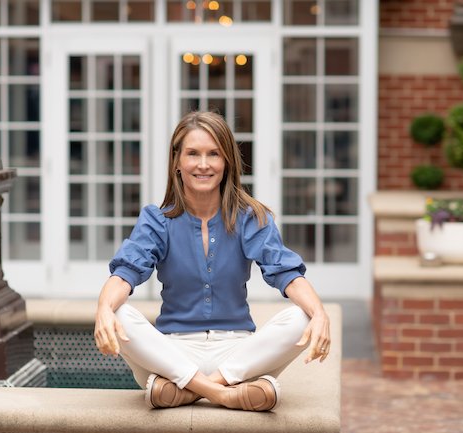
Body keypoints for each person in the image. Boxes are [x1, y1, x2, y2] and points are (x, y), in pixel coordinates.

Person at [94, 111, 330, 412]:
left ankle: (190, 389)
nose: (203, 164)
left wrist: (319, 313)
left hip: (236, 350)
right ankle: (229, 392)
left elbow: (286, 272)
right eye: (193, 154)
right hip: (173, 349)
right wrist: (103, 308)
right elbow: (125, 273)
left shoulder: (250, 217)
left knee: (303, 317)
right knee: (121, 313)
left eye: (213, 154)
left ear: (226, 161)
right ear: (177, 162)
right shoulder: (157, 219)